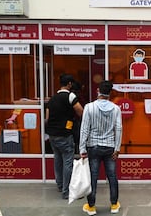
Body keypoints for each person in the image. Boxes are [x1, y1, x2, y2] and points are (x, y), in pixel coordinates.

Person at [79, 80, 122, 215]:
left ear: (98, 91)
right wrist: (117, 148)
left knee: (93, 176)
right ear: (110, 93)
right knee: (112, 176)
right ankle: (114, 205)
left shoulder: (89, 107)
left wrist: (82, 148)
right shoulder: (116, 108)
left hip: (94, 146)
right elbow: (119, 128)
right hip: (110, 147)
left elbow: (84, 129)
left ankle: (91, 207)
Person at [45, 74, 83, 199]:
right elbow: (80, 111)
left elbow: (47, 118)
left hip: (52, 135)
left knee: (58, 159)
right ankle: (67, 191)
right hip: (65, 134)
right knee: (68, 161)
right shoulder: (70, 96)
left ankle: (60, 185)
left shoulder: (52, 98)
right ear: (70, 84)